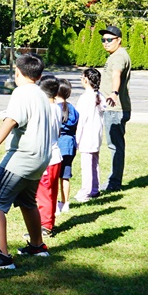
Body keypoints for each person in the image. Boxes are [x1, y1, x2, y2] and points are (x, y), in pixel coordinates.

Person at [0, 53, 55, 271]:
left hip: (22, 158)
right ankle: (37, 246)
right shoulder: (41, 94)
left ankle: (2, 256)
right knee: (27, 202)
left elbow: (11, 121)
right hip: (40, 159)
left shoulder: (21, 92)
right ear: (39, 75)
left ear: (17, 72)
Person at [99, 25, 131, 192]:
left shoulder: (118, 57)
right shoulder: (115, 55)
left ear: (119, 40)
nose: (106, 42)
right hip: (113, 108)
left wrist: (114, 92)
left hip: (115, 109)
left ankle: (114, 183)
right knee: (115, 146)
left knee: (115, 147)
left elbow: (116, 74)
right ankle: (114, 180)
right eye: (103, 40)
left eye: (109, 39)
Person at [35, 75, 64, 237]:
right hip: (56, 156)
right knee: (51, 193)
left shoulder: (45, 110)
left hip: (47, 157)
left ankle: (45, 226)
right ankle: (49, 222)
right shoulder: (57, 108)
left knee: (44, 194)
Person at [74, 68, 104, 203]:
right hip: (96, 135)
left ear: (86, 80)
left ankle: (85, 191)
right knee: (94, 163)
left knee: (86, 165)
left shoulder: (85, 98)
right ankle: (94, 188)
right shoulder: (99, 96)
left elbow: (80, 120)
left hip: (86, 135)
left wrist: (76, 138)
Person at [55, 79, 79, 215]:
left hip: (58, 145)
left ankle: (54, 203)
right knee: (65, 176)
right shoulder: (72, 109)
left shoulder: (55, 108)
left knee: (54, 176)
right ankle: (65, 203)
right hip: (70, 145)